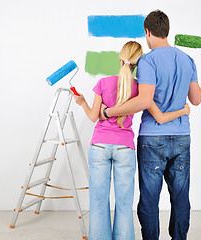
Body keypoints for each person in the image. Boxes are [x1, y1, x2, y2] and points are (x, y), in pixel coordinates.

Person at [101, 10, 201, 240]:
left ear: (147, 32)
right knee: (180, 197)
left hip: (153, 138)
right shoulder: (188, 60)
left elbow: (145, 100)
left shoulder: (148, 60)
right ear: (166, 30)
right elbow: (196, 99)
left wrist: (108, 112)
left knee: (149, 198)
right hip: (181, 136)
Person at [73, 41, 190, 240]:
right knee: (125, 204)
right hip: (125, 149)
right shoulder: (141, 89)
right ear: (138, 63)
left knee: (99, 201)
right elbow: (159, 116)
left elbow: (94, 117)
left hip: (99, 145)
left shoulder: (103, 83)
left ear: (120, 58)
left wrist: (82, 102)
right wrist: (183, 110)